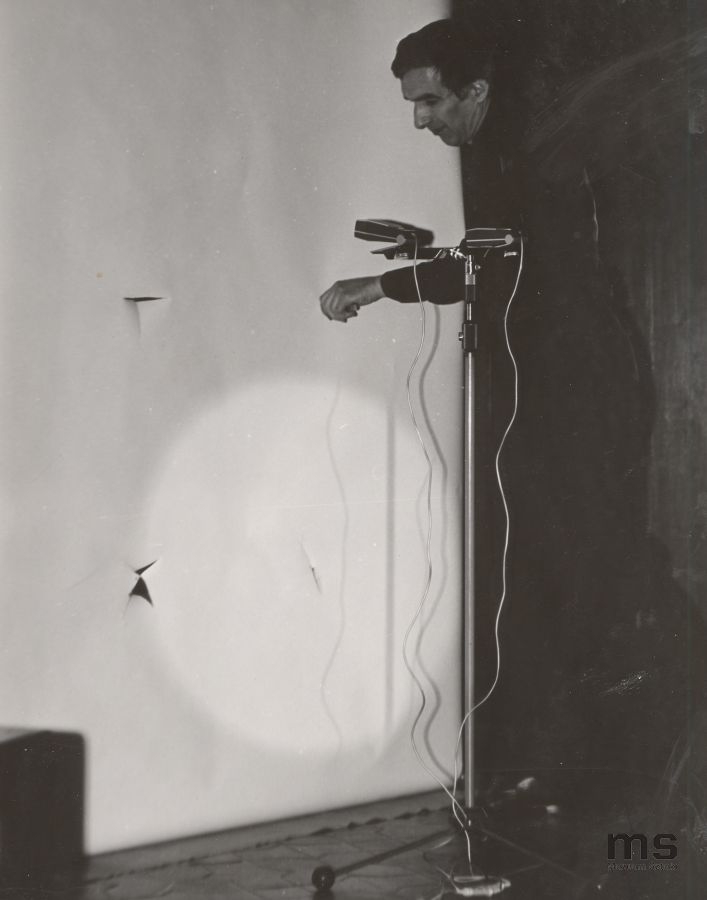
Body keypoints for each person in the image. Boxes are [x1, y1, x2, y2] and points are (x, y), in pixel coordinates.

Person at [319, 19, 683, 801]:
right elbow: (496, 260)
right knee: (553, 566)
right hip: (557, 389)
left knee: (587, 564)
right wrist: (417, 268)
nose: (420, 120)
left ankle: (624, 747)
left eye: (430, 102)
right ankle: (563, 761)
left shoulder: (530, 154)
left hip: (587, 392)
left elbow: (492, 264)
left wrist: (379, 285)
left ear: (476, 91)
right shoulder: (500, 150)